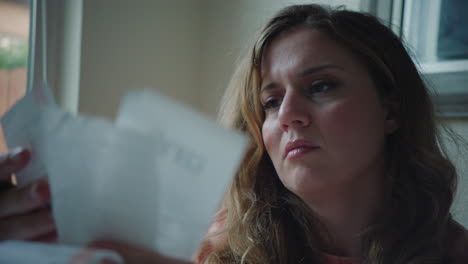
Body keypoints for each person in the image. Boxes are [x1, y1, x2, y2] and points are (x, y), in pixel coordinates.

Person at [1, 4, 467, 264]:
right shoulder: (217, 251)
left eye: (320, 86)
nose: (288, 114)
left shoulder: (451, 253)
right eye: (269, 100)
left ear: (392, 110)